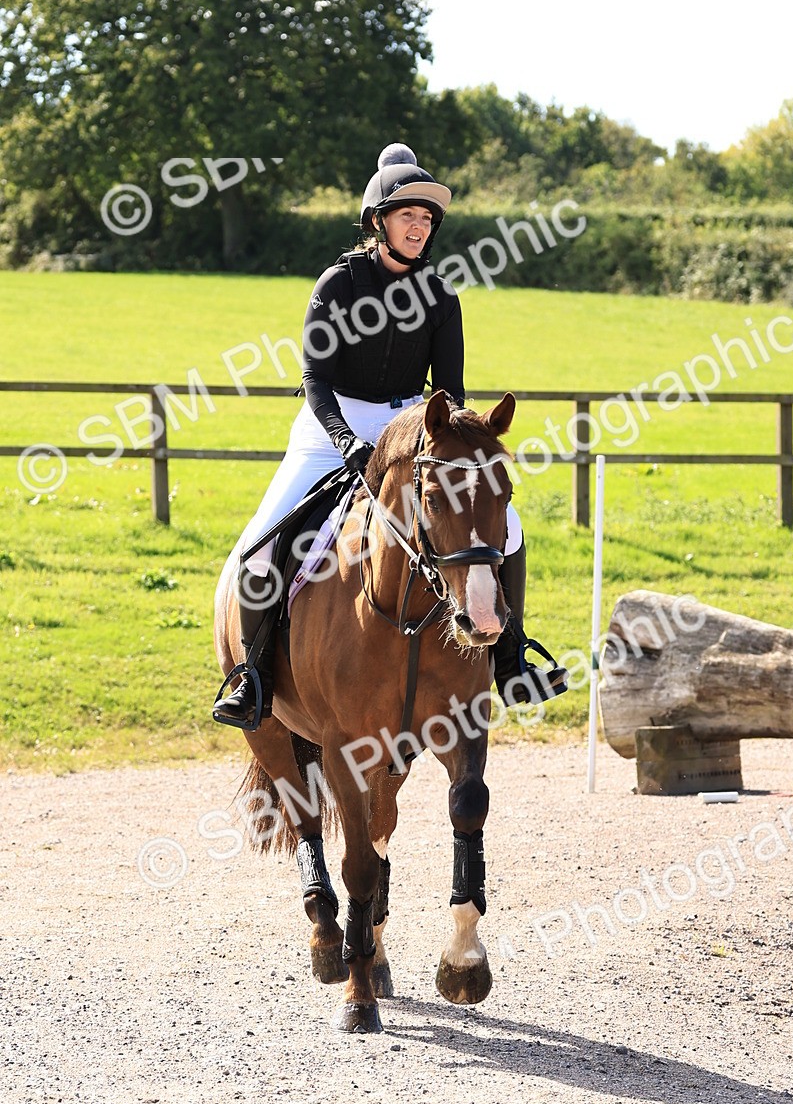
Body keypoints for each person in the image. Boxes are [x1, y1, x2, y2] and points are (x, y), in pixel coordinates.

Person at [213, 143, 564, 729]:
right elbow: (314, 379)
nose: (419, 227)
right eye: (408, 216)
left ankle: (510, 657)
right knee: (262, 544)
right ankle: (252, 676)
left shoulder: (441, 295)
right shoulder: (338, 285)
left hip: (410, 428)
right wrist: (346, 439)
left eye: (427, 219)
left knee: (511, 528)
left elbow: (447, 395)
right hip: (329, 428)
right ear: (379, 221)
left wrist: (447, 446)